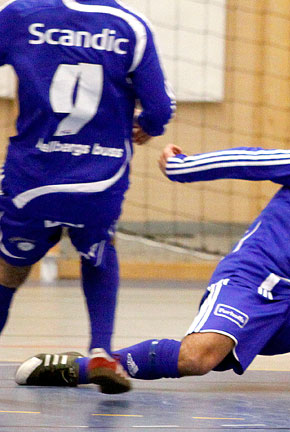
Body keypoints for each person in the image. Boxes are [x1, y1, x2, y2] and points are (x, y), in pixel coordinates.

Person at [15, 130, 290, 394]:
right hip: (251, 283)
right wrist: (182, 167)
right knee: (197, 359)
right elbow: (254, 161)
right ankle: (82, 367)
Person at [0, 0, 175, 394]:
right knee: (99, 251)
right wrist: (146, 126)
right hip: (100, 179)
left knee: (9, 271)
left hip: (32, 177)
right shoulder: (131, 26)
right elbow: (160, 109)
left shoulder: (21, 15)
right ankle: (100, 350)